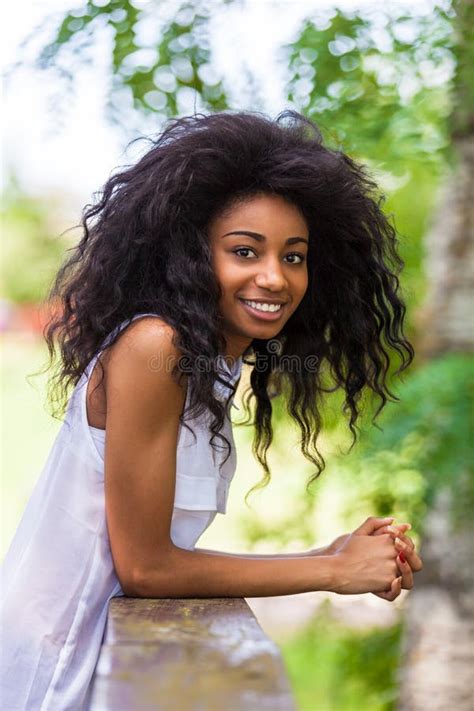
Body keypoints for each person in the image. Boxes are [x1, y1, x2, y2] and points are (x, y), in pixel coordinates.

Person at [1, 110, 423, 710]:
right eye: (245, 251)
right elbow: (147, 568)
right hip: (58, 670)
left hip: (107, 659)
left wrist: (329, 555)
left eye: (294, 256)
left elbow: (156, 561)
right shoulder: (155, 347)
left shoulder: (209, 366)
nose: (274, 277)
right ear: (191, 255)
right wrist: (331, 575)